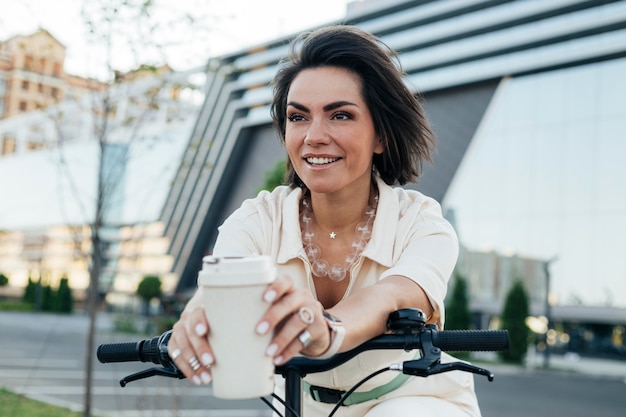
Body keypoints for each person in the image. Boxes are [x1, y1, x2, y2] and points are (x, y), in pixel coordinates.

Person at [167, 25, 481, 417]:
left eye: (340, 115)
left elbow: (392, 295)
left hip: (413, 400)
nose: (314, 136)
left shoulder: (422, 223)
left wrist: (327, 330)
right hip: (297, 404)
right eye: (298, 117)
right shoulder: (257, 219)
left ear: (380, 135)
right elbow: (221, 282)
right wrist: (198, 317)